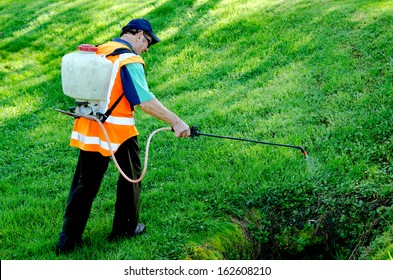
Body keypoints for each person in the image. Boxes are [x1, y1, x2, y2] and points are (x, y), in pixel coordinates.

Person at [56, 18, 190, 253]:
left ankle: (67, 239)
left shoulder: (102, 50)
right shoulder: (129, 59)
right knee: (131, 178)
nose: (147, 48)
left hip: (91, 126)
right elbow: (144, 100)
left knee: (84, 184)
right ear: (138, 35)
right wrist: (176, 122)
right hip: (118, 130)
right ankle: (125, 229)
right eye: (148, 42)